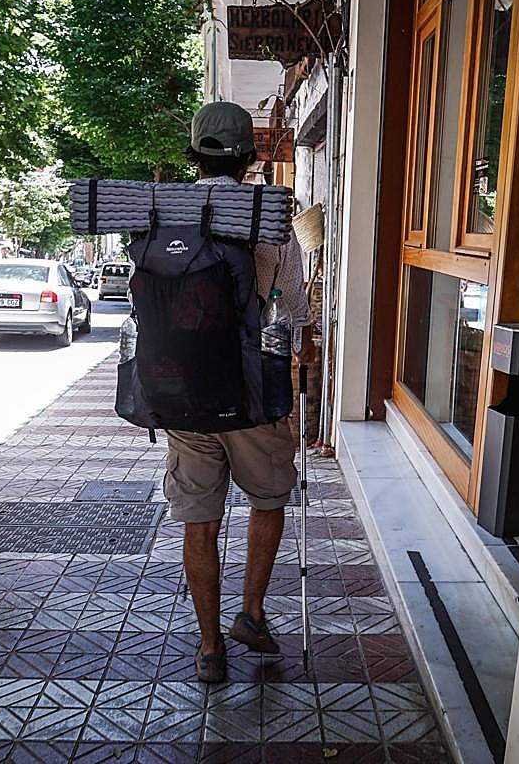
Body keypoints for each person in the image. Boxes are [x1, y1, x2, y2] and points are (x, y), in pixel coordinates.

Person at [165, 101, 312, 683]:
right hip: (253, 394)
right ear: (251, 157)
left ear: (194, 154)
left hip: (186, 395)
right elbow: (294, 313)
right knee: (267, 500)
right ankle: (250, 614)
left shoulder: (165, 214)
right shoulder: (270, 217)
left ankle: (208, 648)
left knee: (198, 519)